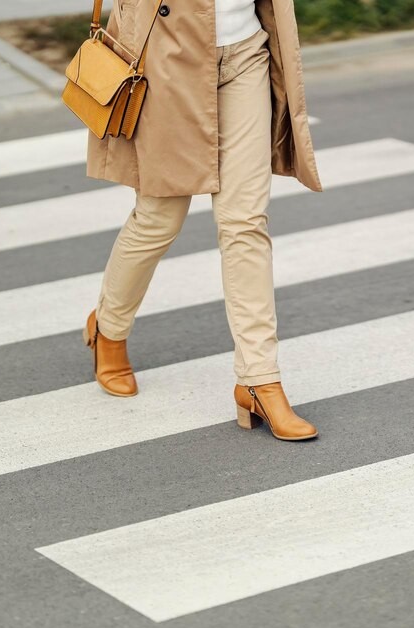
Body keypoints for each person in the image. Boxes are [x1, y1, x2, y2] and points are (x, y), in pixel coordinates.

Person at [80, 0, 323, 441]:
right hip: (166, 56)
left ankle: (259, 379)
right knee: (159, 216)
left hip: (245, 52)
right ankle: (109, 328)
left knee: (245, 221)